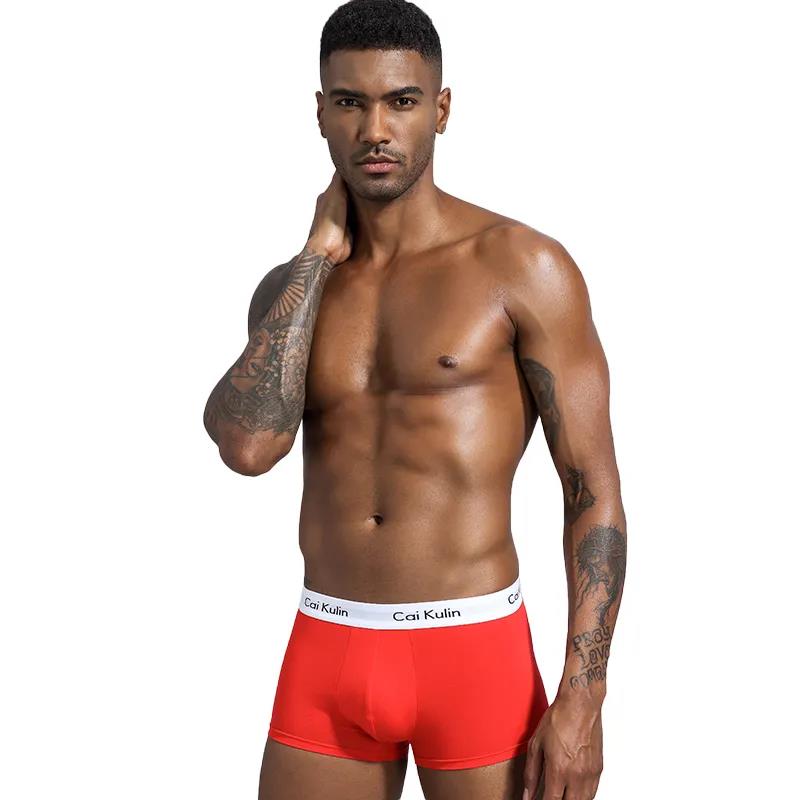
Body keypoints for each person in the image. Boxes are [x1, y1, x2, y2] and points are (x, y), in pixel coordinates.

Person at [202, 1, 627, 798]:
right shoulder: (293, 291)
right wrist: (316, 255)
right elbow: (248, 448)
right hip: (327, 648)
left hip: (472, 651)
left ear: (441, 109)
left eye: (400, 101)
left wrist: (584, 697)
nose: (375, 129)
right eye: (350, 102)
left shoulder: (521, 266)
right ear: (320, 113)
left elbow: (592, 490)